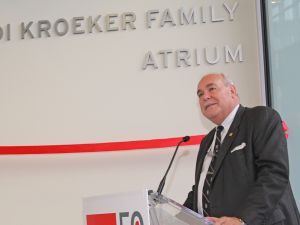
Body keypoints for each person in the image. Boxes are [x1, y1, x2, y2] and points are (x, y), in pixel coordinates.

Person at [184, 73, 300, 225]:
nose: (205, 97)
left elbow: (274, 174)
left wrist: (242, 220)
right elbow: (201, 189)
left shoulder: (260, 118)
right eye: (200, 94)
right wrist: (177, 217)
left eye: (211, 89)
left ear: (231, 91)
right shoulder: (208, 141)